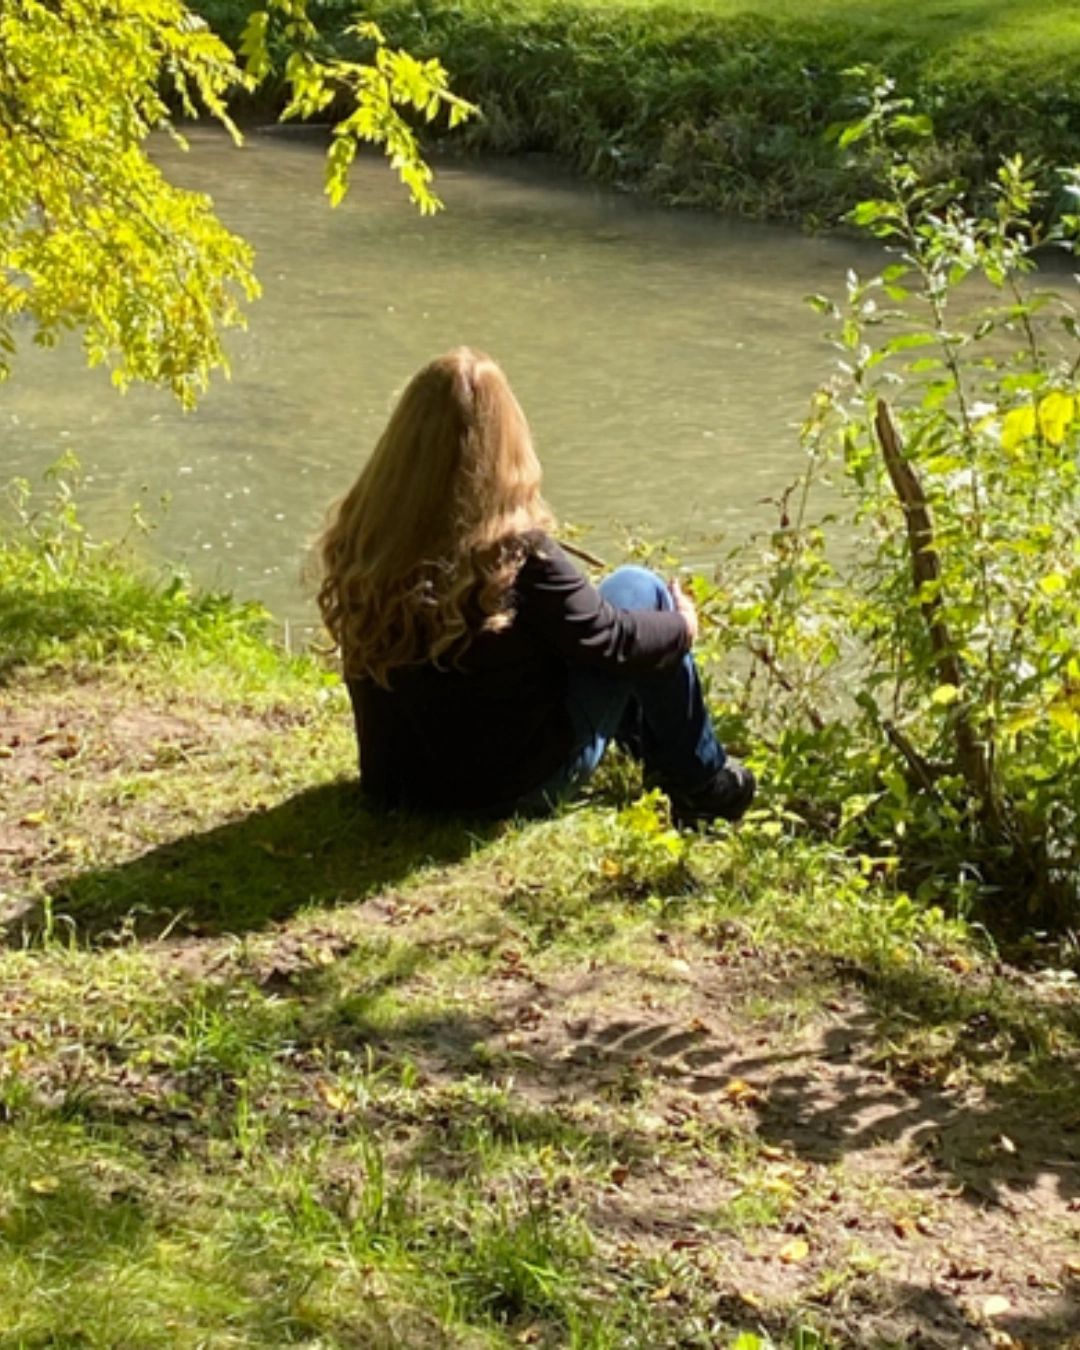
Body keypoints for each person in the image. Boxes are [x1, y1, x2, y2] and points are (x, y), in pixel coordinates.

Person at [315, 347, 756, 825]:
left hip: (397, 786)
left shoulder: (365, 537)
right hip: (508, 791)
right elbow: (612, 640)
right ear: (503, 443)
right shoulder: (514, 552)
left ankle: (667, 760)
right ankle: (705, 785)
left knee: (591, 626)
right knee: (640, 588)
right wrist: (682, 624)